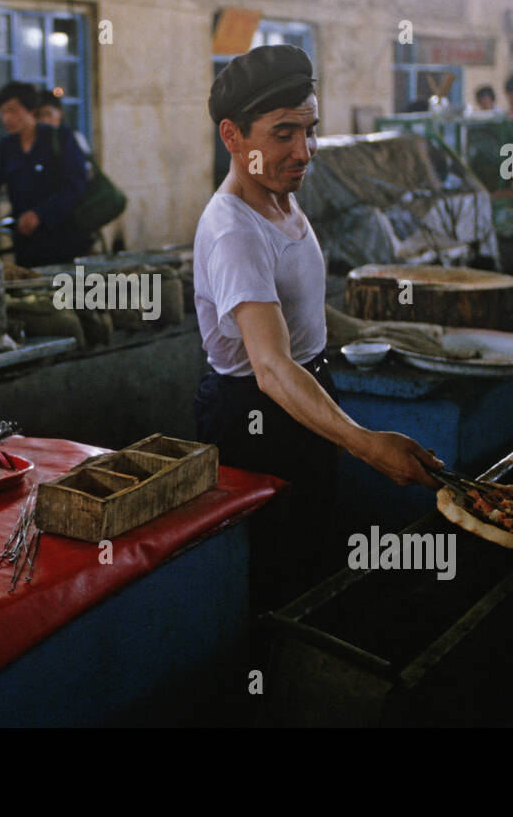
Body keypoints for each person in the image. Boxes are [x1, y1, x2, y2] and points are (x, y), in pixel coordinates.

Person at [192, 44, 442, 609]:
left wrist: (368, 335)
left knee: (310, 546)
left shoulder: (280, 200)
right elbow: (272, 367)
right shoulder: (236, 231)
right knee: (271, 568)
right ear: (232, 136)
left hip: (305, 394)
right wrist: (368, 446)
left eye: (310, 130)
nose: (303, 151)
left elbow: (295, 317)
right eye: (283, 133)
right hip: (255, 416)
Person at [0, 81, 91, 267]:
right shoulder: (7, 147)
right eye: (2, 112)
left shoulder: (60, 138)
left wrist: (40, 214)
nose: (6, 118)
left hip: (65, 240)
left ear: (31, 110)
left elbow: (75, 185)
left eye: (12, 110)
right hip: (27, 244)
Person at [35, 89, 91, 158]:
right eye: (38, 115)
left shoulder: (74, 138)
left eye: (48, 114)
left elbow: (87, 166)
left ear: (60, 112)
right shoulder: (33, 140)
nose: (44, 120)